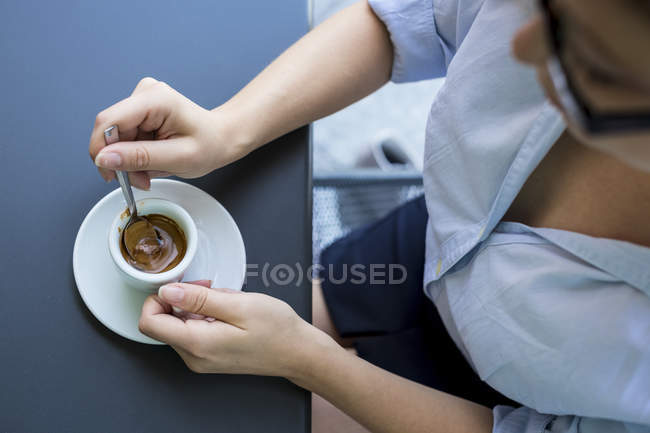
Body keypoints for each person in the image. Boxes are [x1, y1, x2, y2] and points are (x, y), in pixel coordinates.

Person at [88, 0, 650, 432]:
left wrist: (312, 363)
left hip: (497, 403)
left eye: (593, 66)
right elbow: (410, 18)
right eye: (547, 8)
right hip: (429, 240)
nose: (522, 50)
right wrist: (227, 130)